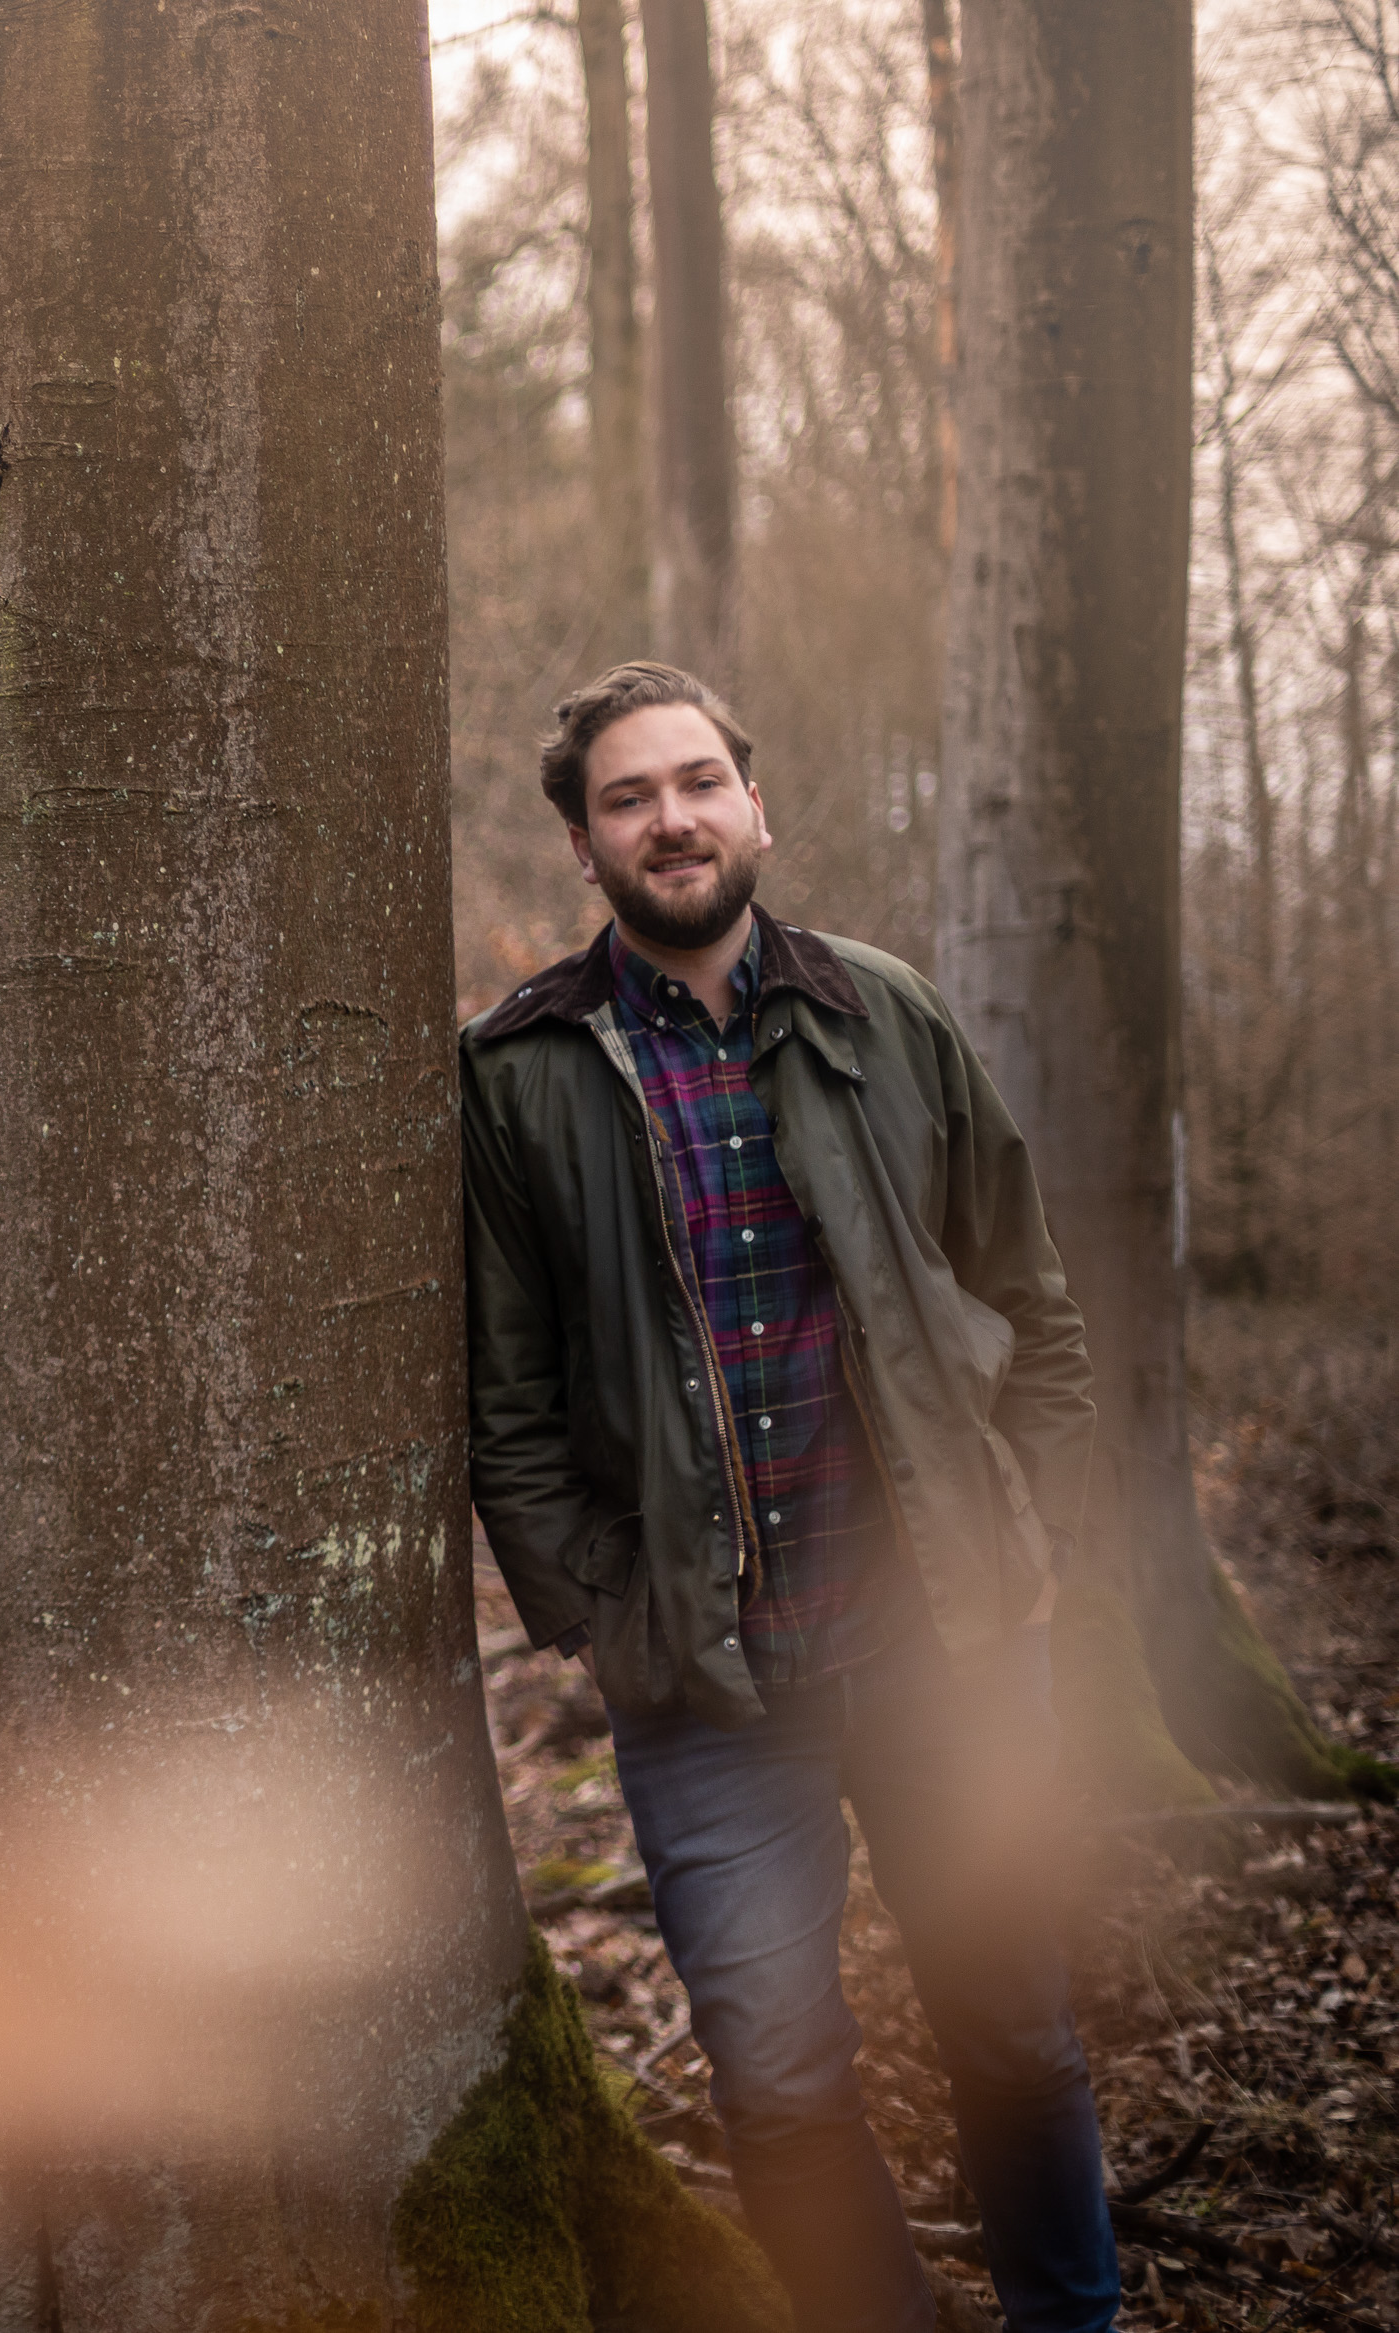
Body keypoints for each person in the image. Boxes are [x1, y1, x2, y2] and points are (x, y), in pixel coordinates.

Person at [458, 661, 1119, 2333]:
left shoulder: (885, 1012)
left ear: (758, 803)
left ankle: (1069, 2317)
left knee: (1013, 2027)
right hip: (709, 1678)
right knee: (771, 2061)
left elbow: (1028, 1297)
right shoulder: (518, 1075)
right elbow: (509, 1407)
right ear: (584, 846)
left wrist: (1041, 1532)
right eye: (628, 797)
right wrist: (609, 1614)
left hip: (950, 1642)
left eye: (696, 781)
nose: (670, 816)